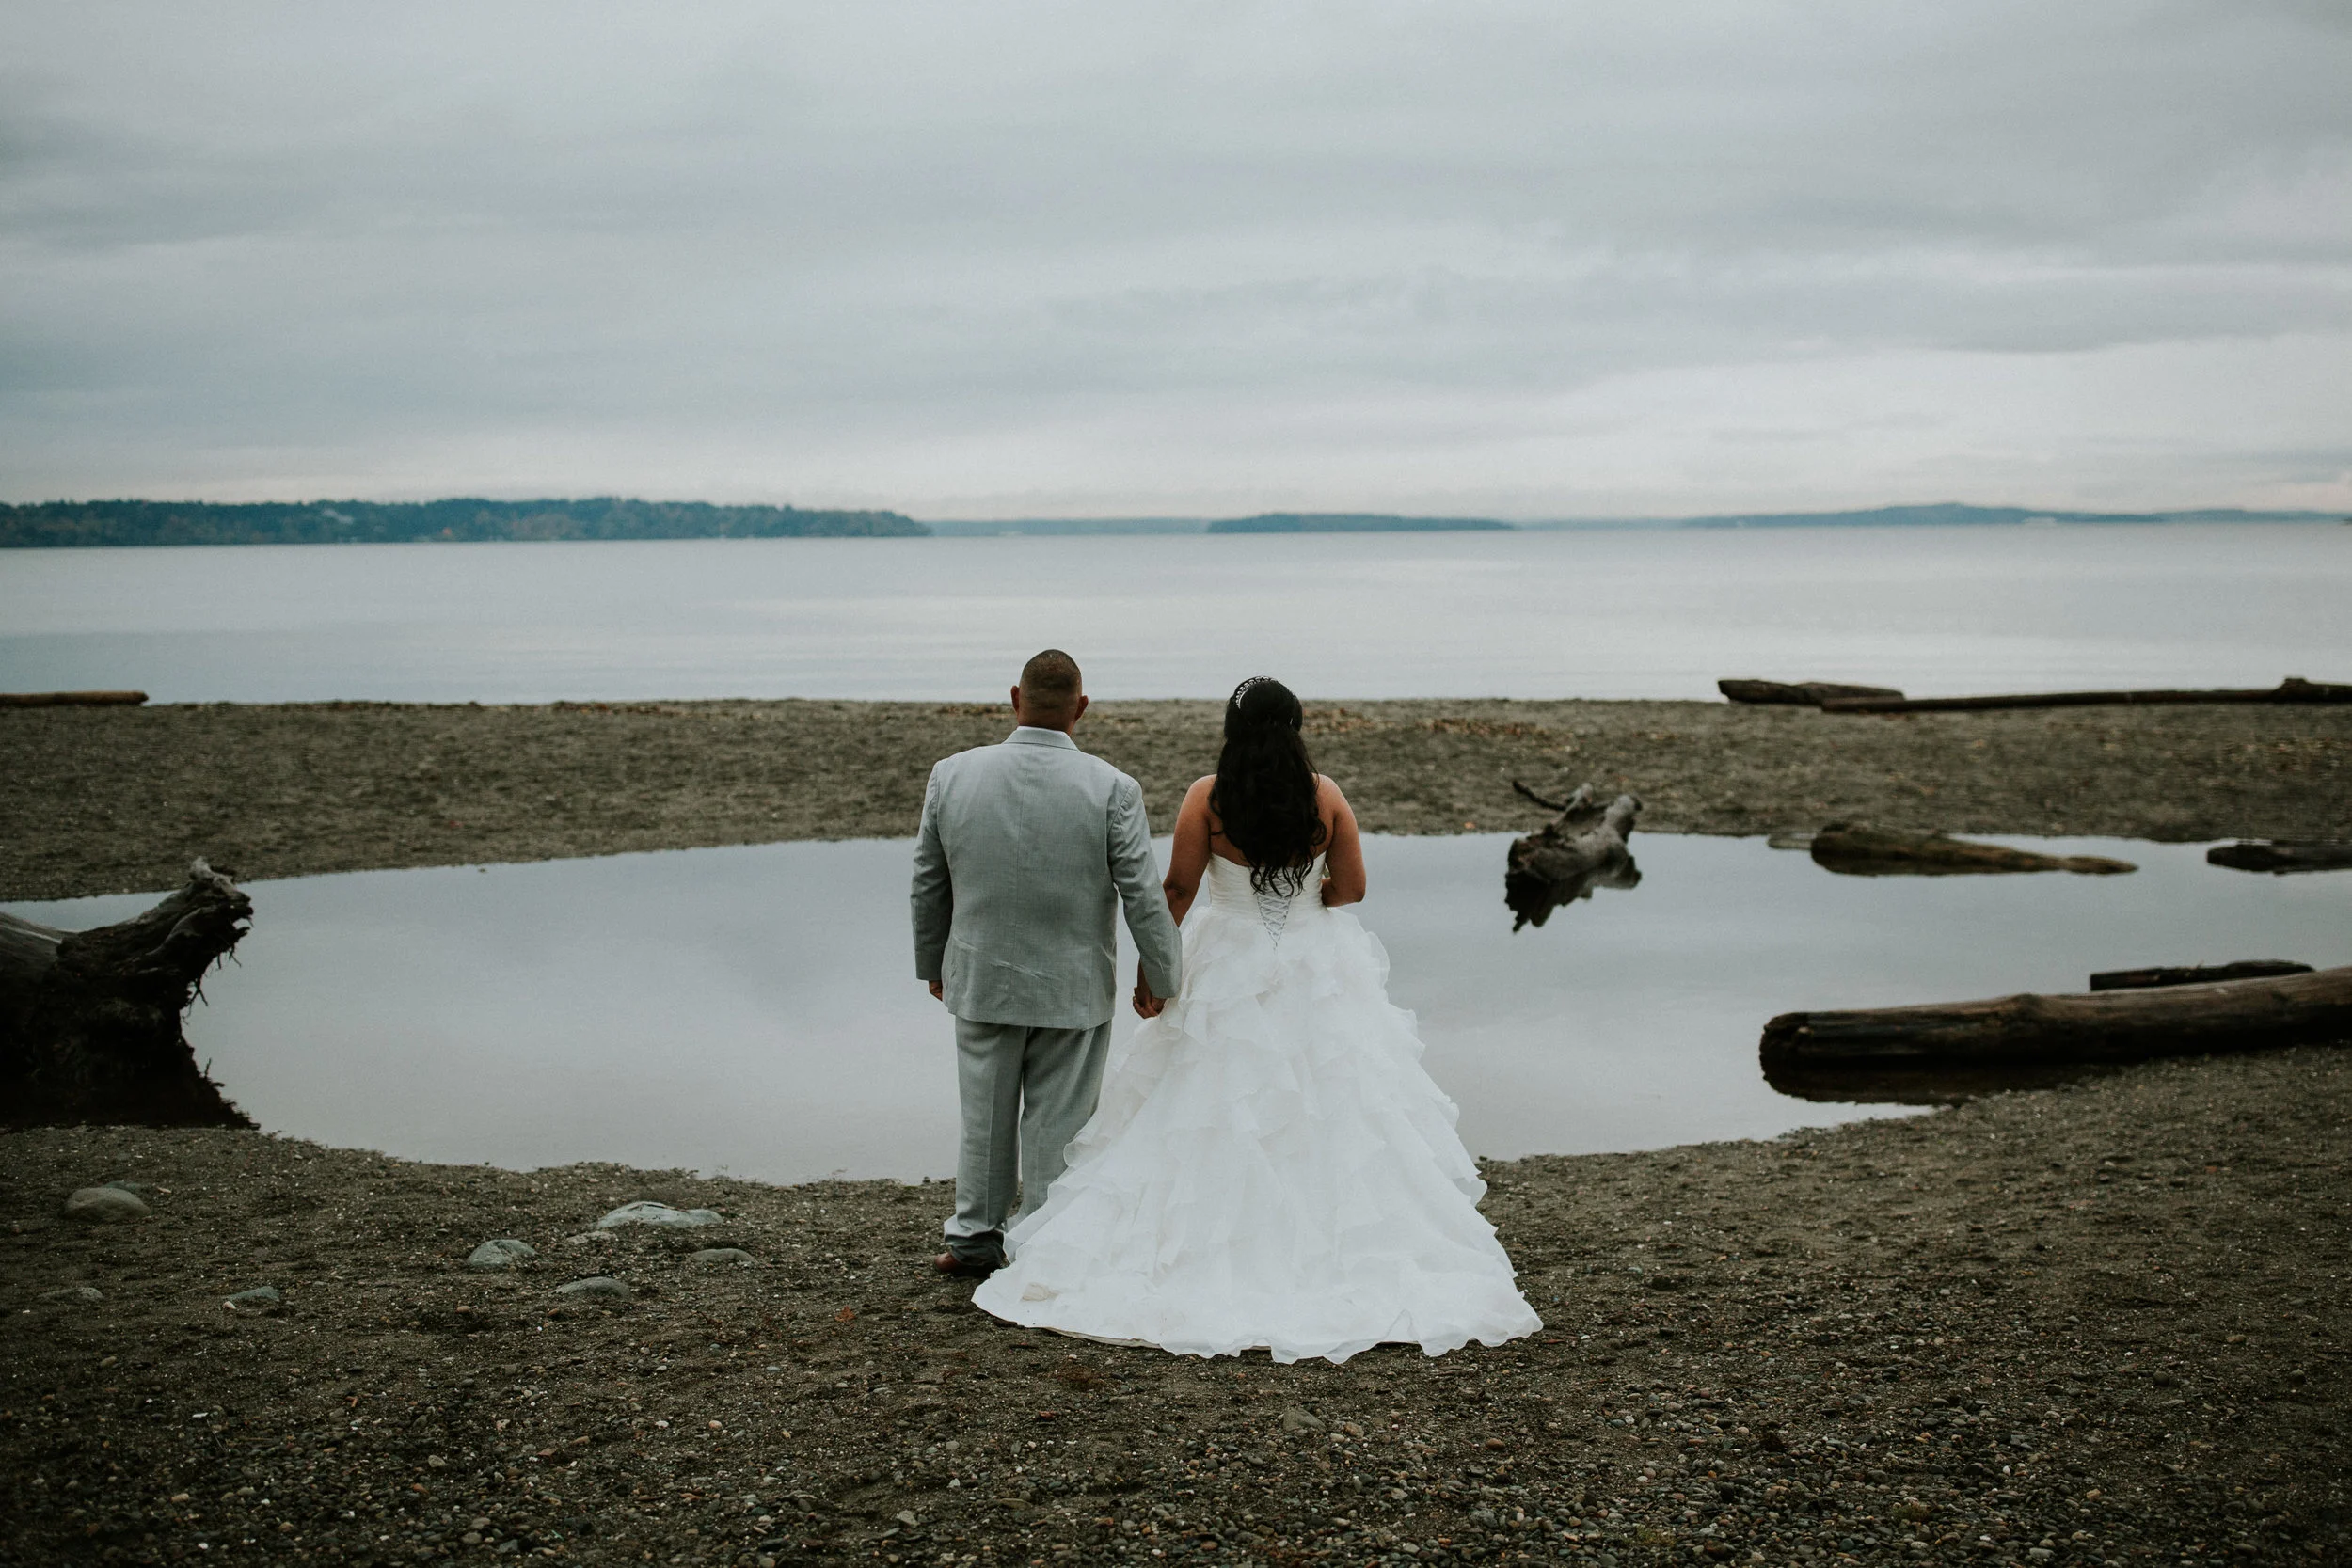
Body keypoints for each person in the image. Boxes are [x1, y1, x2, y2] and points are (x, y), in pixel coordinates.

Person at [972, 676, 1542, 1362]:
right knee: (1335, 1102)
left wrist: (1154, 969)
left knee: (1205, 1098)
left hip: (1225, 959)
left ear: (1231, 728)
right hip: (1316, 962)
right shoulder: (1324, 795)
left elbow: (1177, 889)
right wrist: (1305, 899)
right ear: (1296, 726)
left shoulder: (1206, 796)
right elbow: (1354, 887)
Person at [912, 649, 1184, 1278]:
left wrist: (933, 959)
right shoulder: (1112, 788)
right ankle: (1040, 1241)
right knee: (1058, 1122)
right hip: (1074, 984)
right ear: (1081, 708)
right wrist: (1164, 975)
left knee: (984, 1112)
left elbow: (929, 881)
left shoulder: (953, 775)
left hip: (982, 974)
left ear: (1015, 697)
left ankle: (974, 1238)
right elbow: (1143, 893)